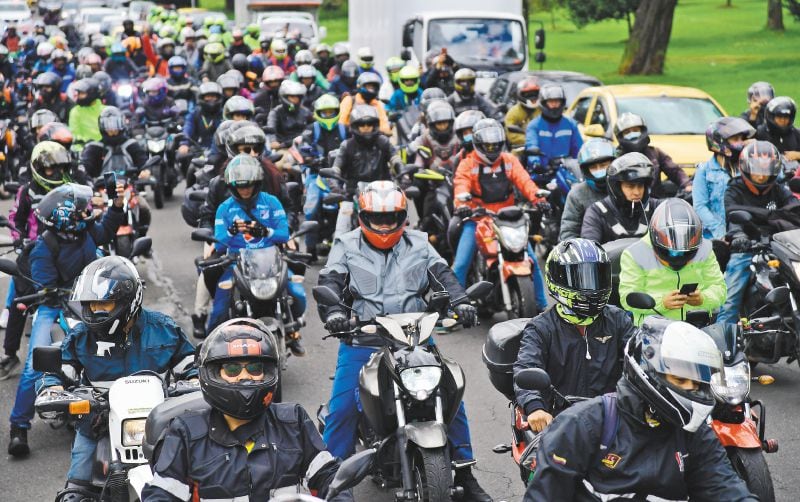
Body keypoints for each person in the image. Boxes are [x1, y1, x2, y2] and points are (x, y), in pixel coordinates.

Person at [318, 181, 491, 502]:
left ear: (402, 217)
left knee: (450, 393)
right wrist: (334, 313)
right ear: (363, 216)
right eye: (377, 218)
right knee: (342, 410)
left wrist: (462, 302)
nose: (384, 226)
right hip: (364, 340)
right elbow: (330, 281)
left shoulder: (419, 243)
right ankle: (329, 483)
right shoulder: (346, 244)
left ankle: (466, 475)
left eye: (391, 218)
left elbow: (444, 275)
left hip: (415, 338)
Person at [525, 317, 757, 501]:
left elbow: (725, 488)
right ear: (648, 371)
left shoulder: (695, 435)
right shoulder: (581, 425)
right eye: (681, 379)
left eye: (697, 384)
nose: (690, 389)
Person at [38, 257, 198, 500]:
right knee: (76, 490)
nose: (96, 310)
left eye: (104, 304)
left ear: (128, 301)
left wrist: (195, 383)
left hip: (161, 425)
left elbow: (191, 365)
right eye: (92, 305)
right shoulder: (81, 336)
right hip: (97, 425)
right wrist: (52, 389)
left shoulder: (163, 329)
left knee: (199, 478)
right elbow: (60, 370)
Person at [141, 318, 353, 502]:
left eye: (254, 368)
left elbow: (329, 475)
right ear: (213, 374)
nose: (245, 377)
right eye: (232, 369)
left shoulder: (293, 421)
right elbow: (161, 493)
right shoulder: (186, 432)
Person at [7, 182, 126, 457]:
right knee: (37, 363)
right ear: (65, 216)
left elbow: (107, 231)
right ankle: (19, 427)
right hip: (53, 307)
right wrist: (52, 291)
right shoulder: (43, 246)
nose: (86, 212)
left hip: (87, 302)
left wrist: (117, 207)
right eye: (80, 210)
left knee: (119, 345)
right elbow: (44, 285)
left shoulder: (85, 232)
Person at [514, 239, 635, 433]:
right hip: (560, 423)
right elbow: (527, 366)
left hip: (613, 418)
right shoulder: (540, 328)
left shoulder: (617, 319)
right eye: (582, 279)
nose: (591, 287)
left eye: (596, 277)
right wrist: (535, 407)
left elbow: (640, 358)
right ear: (557, 280)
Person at [451, 119, 548, 310]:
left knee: (531, 260)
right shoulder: (467, 164)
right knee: (461, 264)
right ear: (477, 144)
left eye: (495, 145)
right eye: (487, 146)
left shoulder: (509, 160)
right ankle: (453, 307)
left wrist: (539, 200)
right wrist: (462, 204)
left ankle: (541, 305)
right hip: (478, 219)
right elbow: (460, 185)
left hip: (508, 220)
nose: (492, 149)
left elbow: (525, 182)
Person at [0, 142, 75, 381]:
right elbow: (16, 218)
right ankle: (10, 354)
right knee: (17, 302)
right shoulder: (27, 192)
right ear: (39, 169)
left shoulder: (71, 188)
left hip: (66, 252)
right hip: (33, 254)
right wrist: (19, 237)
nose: (57, 173)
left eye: (61, 168)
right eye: (52, 169)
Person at [208, 154, 292, 333]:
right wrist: (231, 231)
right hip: (236, 264)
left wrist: (265, 231)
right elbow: (219, 246)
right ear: (232, 186)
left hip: (271, 263)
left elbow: (284, 235)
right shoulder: (224, 208)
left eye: (248, 185)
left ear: (257, 183)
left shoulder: (271, 202)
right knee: (218, 311)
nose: (244, 190)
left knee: (298, 294)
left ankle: (293, 330)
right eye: (240, 186)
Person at [717, 141, 798, 325]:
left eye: (766, 170)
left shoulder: (778, 189)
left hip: (779, 247)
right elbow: (733, 214)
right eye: (757, 170)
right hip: (748, 248)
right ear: (746, 168)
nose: (761, 176)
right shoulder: (734, 189)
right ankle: (722, 333)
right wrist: (739, 237)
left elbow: (794, 211)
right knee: (731, 299)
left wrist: (763, 215)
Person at [619, 198, 726, 326]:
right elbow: (627, 298)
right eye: (672, 252)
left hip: (697, 328)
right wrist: (662, 302)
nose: (679, 257)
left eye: (685, 253)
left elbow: (720, 289)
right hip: (653, 331)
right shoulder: (635, 254)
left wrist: (702, 298)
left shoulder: (705, 250)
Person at [331, 105, 403, 238]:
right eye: (362, 125)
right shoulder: (347, 146)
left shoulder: (383, 142)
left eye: (369, 124)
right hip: (352, 195)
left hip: (384, 195)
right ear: (355, 126)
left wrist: (404, 176)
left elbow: (396, 159)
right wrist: (335, 187)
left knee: (402, 223)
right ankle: (338, 249)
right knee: (341, 230)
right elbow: (336, 168)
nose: (366, 127)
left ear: (374, 125)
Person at [300, 94, 349, 259]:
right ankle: (310, 248)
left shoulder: (344, 130)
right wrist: (309, 158)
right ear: (317, 113)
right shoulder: (311, 130)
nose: (328, 115)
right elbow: (304, 148)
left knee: (356, 204)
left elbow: (354, 146)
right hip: (317, 174)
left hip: (342, 176)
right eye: (324, 112)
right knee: (311, 208)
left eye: (331, 112)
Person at [693, 117, 755, 240]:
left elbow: (776, 176)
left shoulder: (748, 167)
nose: (741, 143)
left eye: (742, 139)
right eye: (735, 139)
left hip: (746, 235)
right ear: (719, 142)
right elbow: (700, 207)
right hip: (714, 237)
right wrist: (720, 233)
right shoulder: (704, 171)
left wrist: (757, 149)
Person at [581, 152, 659, 245]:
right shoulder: (596, 212)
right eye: (630, 186)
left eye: (640, 186)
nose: (637, 192)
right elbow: (589, 245)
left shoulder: (657, 207)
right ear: (616, 188)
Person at [613, 112, 693, 198]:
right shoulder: (617, 158)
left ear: (642, 131)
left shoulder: (655, 152)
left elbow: (674, 170)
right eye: (627, 132)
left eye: (635, 130)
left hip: (656, 200)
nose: (632, 134)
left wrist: (687, 185)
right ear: (620, 136)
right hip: (630, 201)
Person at [559, 138, 616, 240]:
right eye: (593, 167)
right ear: (585, 170)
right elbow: (568, 232)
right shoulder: (576, 195)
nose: (599, 170)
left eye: (603, 165)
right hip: (591, 247)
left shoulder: (627, 186)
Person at [525, 84, 582, 172]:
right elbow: (531, 145)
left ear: (562, 103)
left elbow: (579, 150)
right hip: (542, 171)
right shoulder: (534, 126)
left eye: (557, 101)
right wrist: (536, 163)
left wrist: (579, 164)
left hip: (566, 171)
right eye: (551, 102)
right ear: (544, 103)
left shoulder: (571, 124)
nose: (555, 105)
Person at [266, 80, 313, 171]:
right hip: (285, 148)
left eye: (297, 97)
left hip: (305, 147)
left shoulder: (305, 112)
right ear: (284, 97)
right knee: (278, 166)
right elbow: (271, 129)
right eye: (292, 97)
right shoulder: (276, 112)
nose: (295, 99)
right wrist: (273, 141)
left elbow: (313, 127)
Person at [339, 71, 392, 136]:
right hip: (351, 137)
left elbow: (384, 124)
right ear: (360, 86)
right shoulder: (350, 100)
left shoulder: (377, 104)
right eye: (368, 86)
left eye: (373, 87)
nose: (371, 89)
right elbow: (340, 123)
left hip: (372, 138)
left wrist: (386, 131)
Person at [180, 81, 224, 153]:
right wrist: (184, 144)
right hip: (198, 150)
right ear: (202, 98)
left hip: (220, 151)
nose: (211, 99)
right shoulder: (195, 113)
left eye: (213, 96)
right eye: (208, 96)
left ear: (218, 97)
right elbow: (188, 127)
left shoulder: (223, 115)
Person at [756, 96, 800, 161]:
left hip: (793, 167)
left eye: (786, 117)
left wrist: (797, 155)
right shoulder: (760, 132)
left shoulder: (797, 134)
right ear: (771, 117)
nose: (783, 120)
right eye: (779, 116)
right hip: (767, 166)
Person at [68, 78, 107, 146]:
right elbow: (75, 134)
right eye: (78, 93)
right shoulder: (75, 111)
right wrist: (87, 143)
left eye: (82, 93)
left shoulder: (106, 111)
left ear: (92, 94)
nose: (79, 96)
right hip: (83, 149)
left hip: (105, 148)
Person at [504, 76, 540, 147]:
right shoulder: (513, 112)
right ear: (520, 95)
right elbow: (510, 134)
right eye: (528, 94)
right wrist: (531, 140)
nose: (532, 97)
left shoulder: (543, 109)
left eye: (534, 93)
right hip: (521, 148)